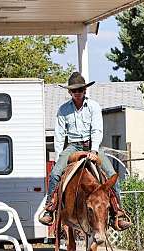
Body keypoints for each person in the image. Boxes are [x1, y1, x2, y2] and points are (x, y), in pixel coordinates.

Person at [39, 72, 131, 231]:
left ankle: (118, 213)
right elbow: (60, 134)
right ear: (70, 92)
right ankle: (51, 207)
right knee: (55, 174)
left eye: (80, 90)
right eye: (74, 91)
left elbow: (97, 130)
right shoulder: (63, 110)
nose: (77, 93)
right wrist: (59, 155)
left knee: (111, 175)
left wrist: (94, 150)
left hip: (92, 145)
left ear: (85, 90)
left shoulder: (94, 107)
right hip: (73, 146)